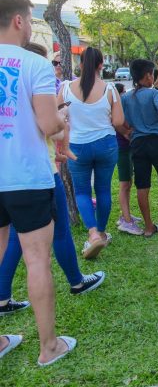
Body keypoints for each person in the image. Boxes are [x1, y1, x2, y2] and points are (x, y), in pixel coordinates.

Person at [0, 42, 105, 317]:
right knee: (56, 235)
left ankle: (2, 296)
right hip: (40, 174)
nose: (54, 67)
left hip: (10, 174)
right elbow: (52, 129)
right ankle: (77, 282)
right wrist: (61, 118)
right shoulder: (36, 81)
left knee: (13, 238)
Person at [0, 0, 75, 366]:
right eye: (30, 19)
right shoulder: (35, 65)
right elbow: (49, 125)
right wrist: (62, 118)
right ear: (18, 20)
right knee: (36, 260)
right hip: (27, 176)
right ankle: (49, 346)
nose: (30, 26)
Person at [59, 46, 123, 259]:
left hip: (77, 146)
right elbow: (118, 121)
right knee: (103, 189)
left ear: (80, 64)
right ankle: (102, 232)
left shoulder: (66, 88)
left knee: (82, 192)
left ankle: (93, 234)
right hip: (106, 144)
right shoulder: (110, 89)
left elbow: (57, 117)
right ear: (101, 65)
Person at [122, 59, 158, 236]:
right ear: (148, 75)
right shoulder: (153, 93)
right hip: (157, 141)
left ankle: (148, 227)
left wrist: (128, 131)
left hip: (138, 143)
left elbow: (120, 120)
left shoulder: (126, 97)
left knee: (142, 184)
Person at [114, 83, 143, 236]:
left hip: (127, 147)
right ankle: (126, 221)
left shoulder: (121, 107)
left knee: (128, 183)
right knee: (124, 184)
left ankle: (126, 215)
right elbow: (117, 124)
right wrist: (127, 132)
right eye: (123, 92)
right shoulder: (115, 109)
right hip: (122, 148)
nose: (125, 94)